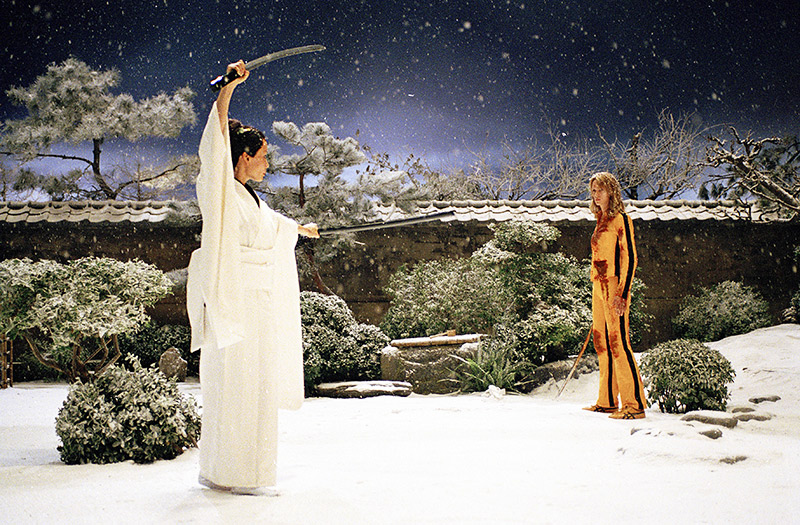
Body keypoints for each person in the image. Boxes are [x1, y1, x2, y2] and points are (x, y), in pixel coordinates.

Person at [186, 60, 319, 495]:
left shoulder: (249, 199)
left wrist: (298, 229)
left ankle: (241, 471)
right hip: (235, 302)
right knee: (236, 386)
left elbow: (269, 225)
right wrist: (228, 88)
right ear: (243, 156)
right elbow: (216, 142)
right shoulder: (221, 188)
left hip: (256, 305)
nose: (266, 165)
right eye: (262, 157)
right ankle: (233, 472)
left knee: (253, 386)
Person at [582, 172, 647, 420]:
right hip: (598, 284)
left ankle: (634, 404)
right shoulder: (600, 220)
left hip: (614, 285)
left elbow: (630, 258)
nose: (596, 195)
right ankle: (607, 400)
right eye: (593, 191)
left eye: (600, 190)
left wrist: (622, 292)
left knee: (619, 342)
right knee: (601, 341)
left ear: (611, 192)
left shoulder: (622, 220)